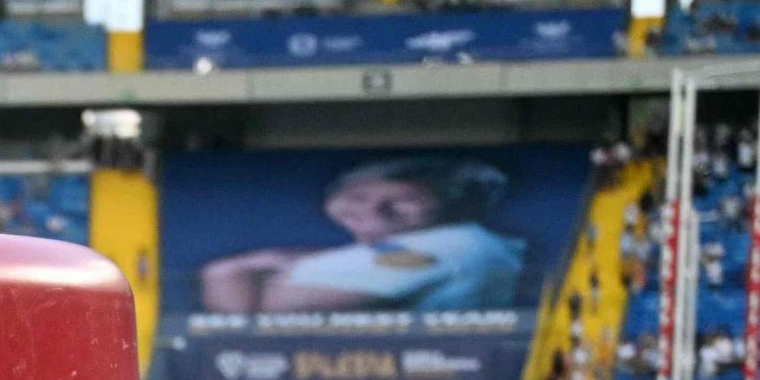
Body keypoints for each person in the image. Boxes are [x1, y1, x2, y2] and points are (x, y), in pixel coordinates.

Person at [196, 156, 529, 313]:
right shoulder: (470, 243)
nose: (374, 213)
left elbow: (271, 305)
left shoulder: (452, 242)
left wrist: (240, 271)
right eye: (356, 200)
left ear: (452, 206)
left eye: (404, 200)